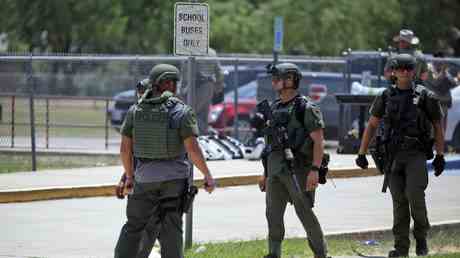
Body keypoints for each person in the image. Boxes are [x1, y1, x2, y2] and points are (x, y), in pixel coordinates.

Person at [114, 63, 216, 258]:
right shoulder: (182, 111)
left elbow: (125, 149)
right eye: (174, 82)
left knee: (135, 226)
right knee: (171, 228)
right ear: (169, 84)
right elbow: (193, 149)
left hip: (143, 180)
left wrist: (129, 176)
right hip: (174, 182)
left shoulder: (136, 111)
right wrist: (207, 175)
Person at [356, 54, 446, 257]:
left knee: (415, 195)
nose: (405, 71)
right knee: (399, 202)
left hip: (415, 154)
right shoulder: (385, 96)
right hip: (392, 156)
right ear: (393, 72)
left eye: (409, 68)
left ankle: (421, 236)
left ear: (413, 71)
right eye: (401, 68)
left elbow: (437, 126)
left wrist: (440, 155)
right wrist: (361, 153)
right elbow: (372, 125)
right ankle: (401, 247)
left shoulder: (425, 97)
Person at [257, 63, 329, 258]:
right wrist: (265, 173)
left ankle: (321, 254)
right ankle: (274, 253)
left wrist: (314, 170)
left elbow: (318, 141)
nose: (273, 81)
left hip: (299, 170)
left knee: (304, 212)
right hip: (275, 169)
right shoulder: (274, 108)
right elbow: (269, 146)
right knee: (272, 213)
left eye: (277, 77)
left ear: (290, 80)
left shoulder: (305, 108)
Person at [425, 53, 459, 131]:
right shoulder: (429, 71)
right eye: (438, 61)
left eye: (441, 62)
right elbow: (436, 82)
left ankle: (440, 142)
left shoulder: (445, 72)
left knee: (442, 129)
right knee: (433, 130)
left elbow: (454, 84)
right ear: (434, 61)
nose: (439, 64)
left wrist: (454, 78)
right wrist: (443, 71)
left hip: (444, 103)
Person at [194, 47, 225, 134]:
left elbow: (186, 72)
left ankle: (201, 133)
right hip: (209, 86)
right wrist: (218, 87)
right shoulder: (212, 52)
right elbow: (219, 72)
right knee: (203, 114)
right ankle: (203, 134)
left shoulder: (192, 51)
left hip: (196, 87)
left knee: (190, 113)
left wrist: (181, 89)